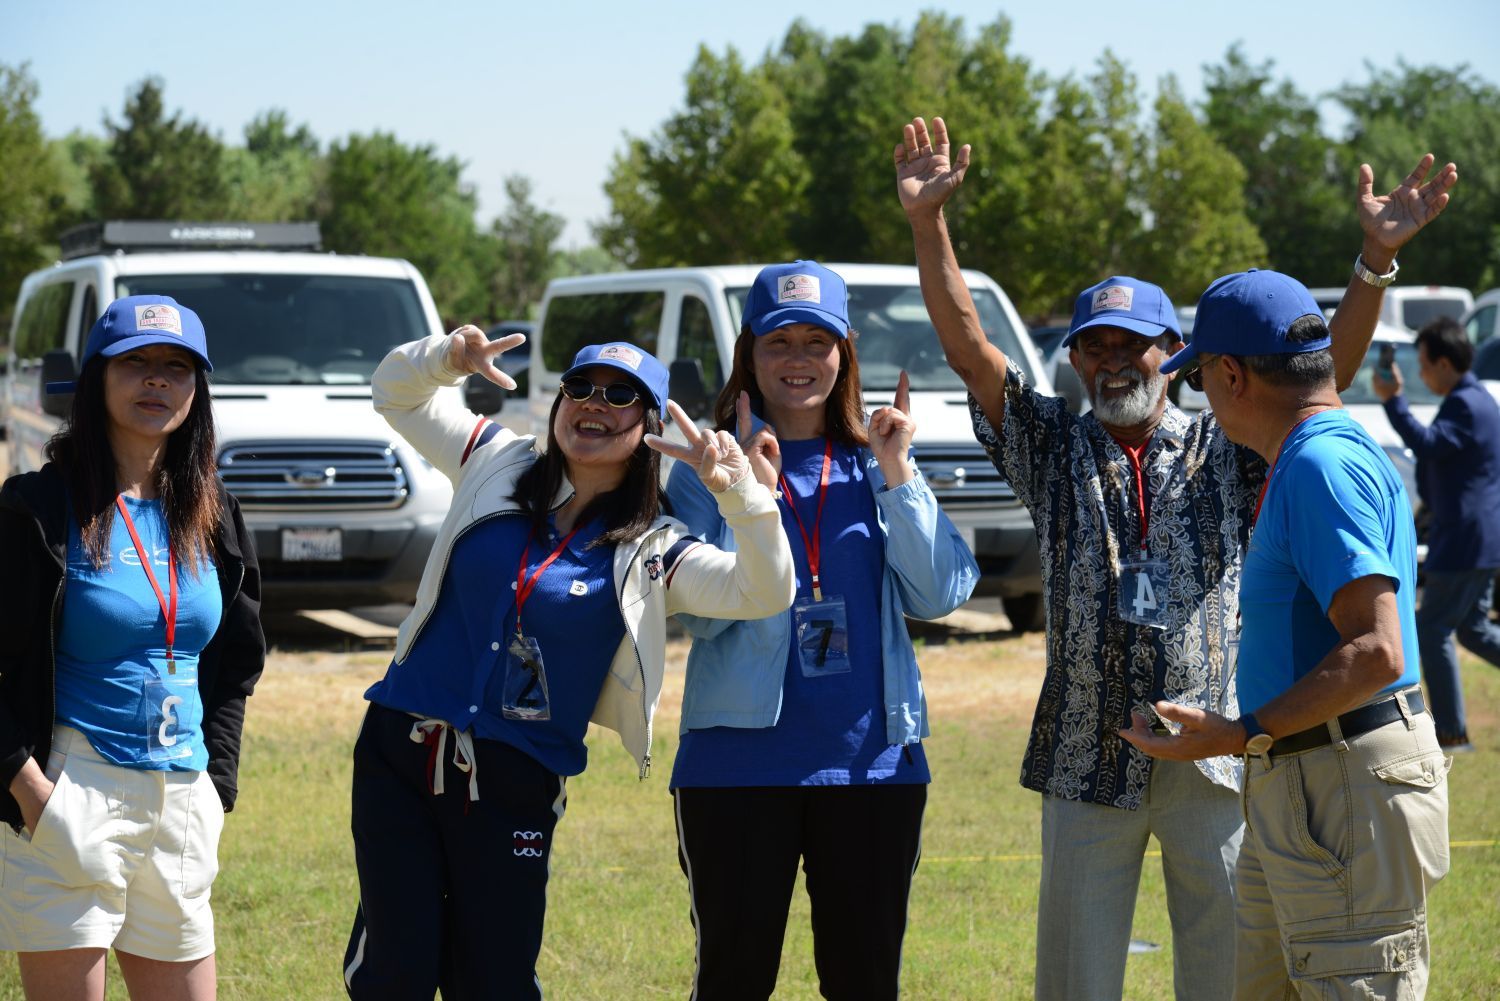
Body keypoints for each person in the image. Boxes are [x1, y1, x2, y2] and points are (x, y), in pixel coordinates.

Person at [894, 114, 1456, 1001]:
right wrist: (929, 224)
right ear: (1075, 359)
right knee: (1075, 983)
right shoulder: (1051, 444)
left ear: (1176, 356)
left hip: (1216, 749)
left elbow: (1317, 376)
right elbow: (971, 348)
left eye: (1135, 344)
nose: (1115, 360)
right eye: (1096, 345)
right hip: (1086, 753)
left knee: (1229, 979)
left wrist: (1372, 265)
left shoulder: (1226, 440)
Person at [340, 326, 795, 1000]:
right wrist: (446, 358)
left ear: (650, 428)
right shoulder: (496, 459)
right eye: (580, 387)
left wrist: (744, 497)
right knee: (394, 972)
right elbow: (394, 394)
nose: (595, 403)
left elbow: (763, 592)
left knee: (495, 981)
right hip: (403, 748)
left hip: (518, 776)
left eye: (621, 396)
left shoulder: (653, 546)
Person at [1124, 269, 1452, 1000]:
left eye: (1199, 377)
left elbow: (1377, 651)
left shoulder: (1318, 465)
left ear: (1231, 375)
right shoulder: (1316, 452)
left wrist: (1240, 733)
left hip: (1338, 781)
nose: (1201, 395)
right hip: (1313, 776)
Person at [662, 260, 978, 1001]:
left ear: (844, 352)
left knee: (865, 982)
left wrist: (899, 471)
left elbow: (939, 594)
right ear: (749, 354)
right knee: (733, 982)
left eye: (816, 341)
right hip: (736, 768)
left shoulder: (879, 460)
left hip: (872, 769)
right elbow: (695, 610)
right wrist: (745, 497)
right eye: (778, 342)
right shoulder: (707, 465)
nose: (798, 359)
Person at [0, 294, 266, 1001]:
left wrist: (216, 784)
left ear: (196, 389)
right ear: (96, 379)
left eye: (177, 367)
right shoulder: (38, 507)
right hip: (72, 784)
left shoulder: (214, 511)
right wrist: (30, 789)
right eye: (136, 362)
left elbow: (237, 663)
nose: (157, 379)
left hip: (182, 792)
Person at [1372, 316, 1500, 752]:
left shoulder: (1466, 404)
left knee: (1431, 628)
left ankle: (1451, 734)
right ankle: (1452, 731)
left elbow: (1428, 444)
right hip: (1478, 537)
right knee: (1475, 631)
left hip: (1463, 540)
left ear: (1445, 364)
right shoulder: (1477, 400)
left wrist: (1394, 400)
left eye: (1425, 365)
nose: (1422, 375)